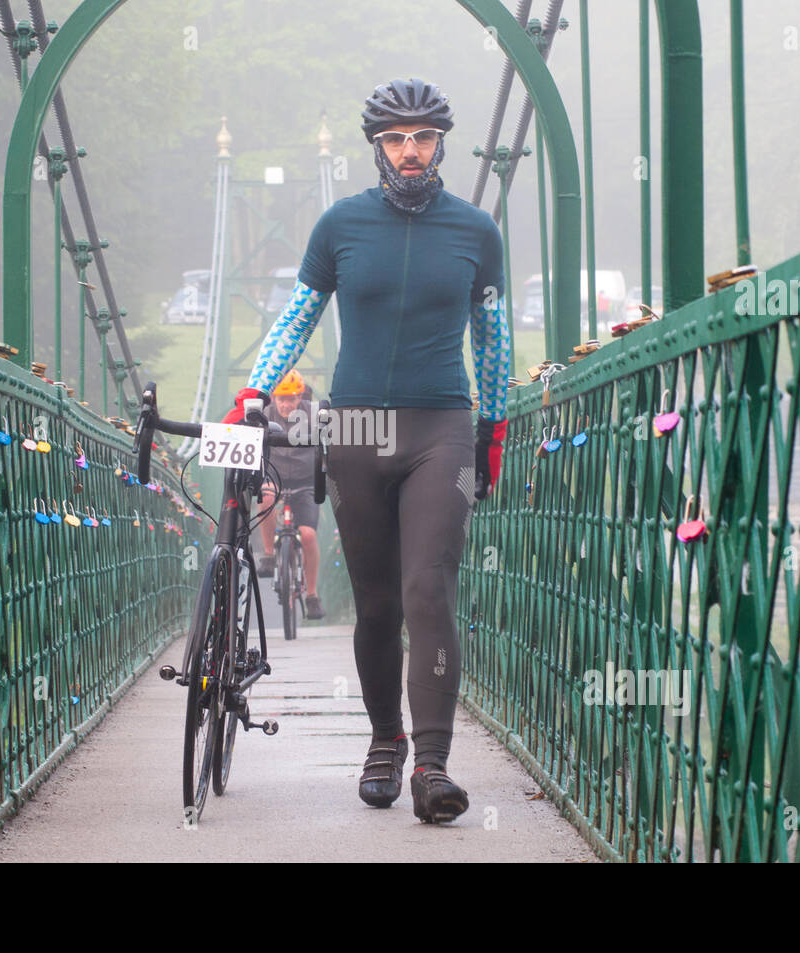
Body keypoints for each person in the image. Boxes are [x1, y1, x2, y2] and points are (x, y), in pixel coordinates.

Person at [222, 78, 510, 824]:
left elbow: (495, 340)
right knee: (378, 603)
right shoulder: (340, 226)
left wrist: (493, 429)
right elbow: (296, 317)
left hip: (440, 424)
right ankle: (386, 737)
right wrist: (254, 394)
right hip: (353, 430)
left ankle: (433, 765)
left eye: (422, 139)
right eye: (395, 140)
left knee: (428, 592)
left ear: (440, 144)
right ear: (376, 148)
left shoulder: (477, 231)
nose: (410, 153)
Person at [255, 369, 325, 620]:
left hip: (306, 482)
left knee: (307, 535)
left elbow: (338, 435)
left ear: (300, 397)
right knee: (265, 498)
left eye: (292, 398)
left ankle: (312, 594)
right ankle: (269, 555)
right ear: (273, 398)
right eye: (281, 399)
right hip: (275, 476)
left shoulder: (315, 413)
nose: (286, 404)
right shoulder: (262, 415)